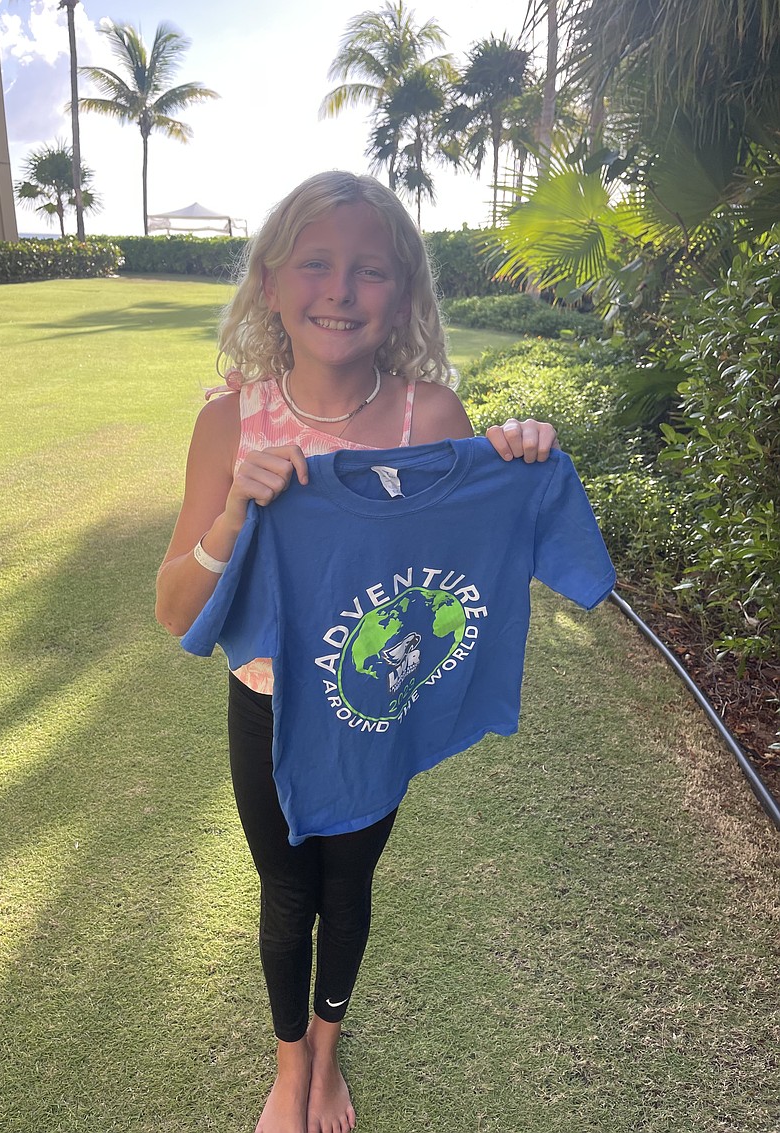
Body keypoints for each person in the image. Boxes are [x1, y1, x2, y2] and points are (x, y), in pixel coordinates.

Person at [155, 171, 559, 1133]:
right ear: (271, 279)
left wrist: (515, 464)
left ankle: (329, 1060)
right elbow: (177, 610)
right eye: (316, 264)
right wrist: (233, 509)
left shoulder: (436, 419)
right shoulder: (230, 420)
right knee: (287, 888)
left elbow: (470, 567)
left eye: (369, 271)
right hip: (267, 704)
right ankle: (289, 1068)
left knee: (352, 883)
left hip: (377, 707)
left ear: (405, 294)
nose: (340, 289)